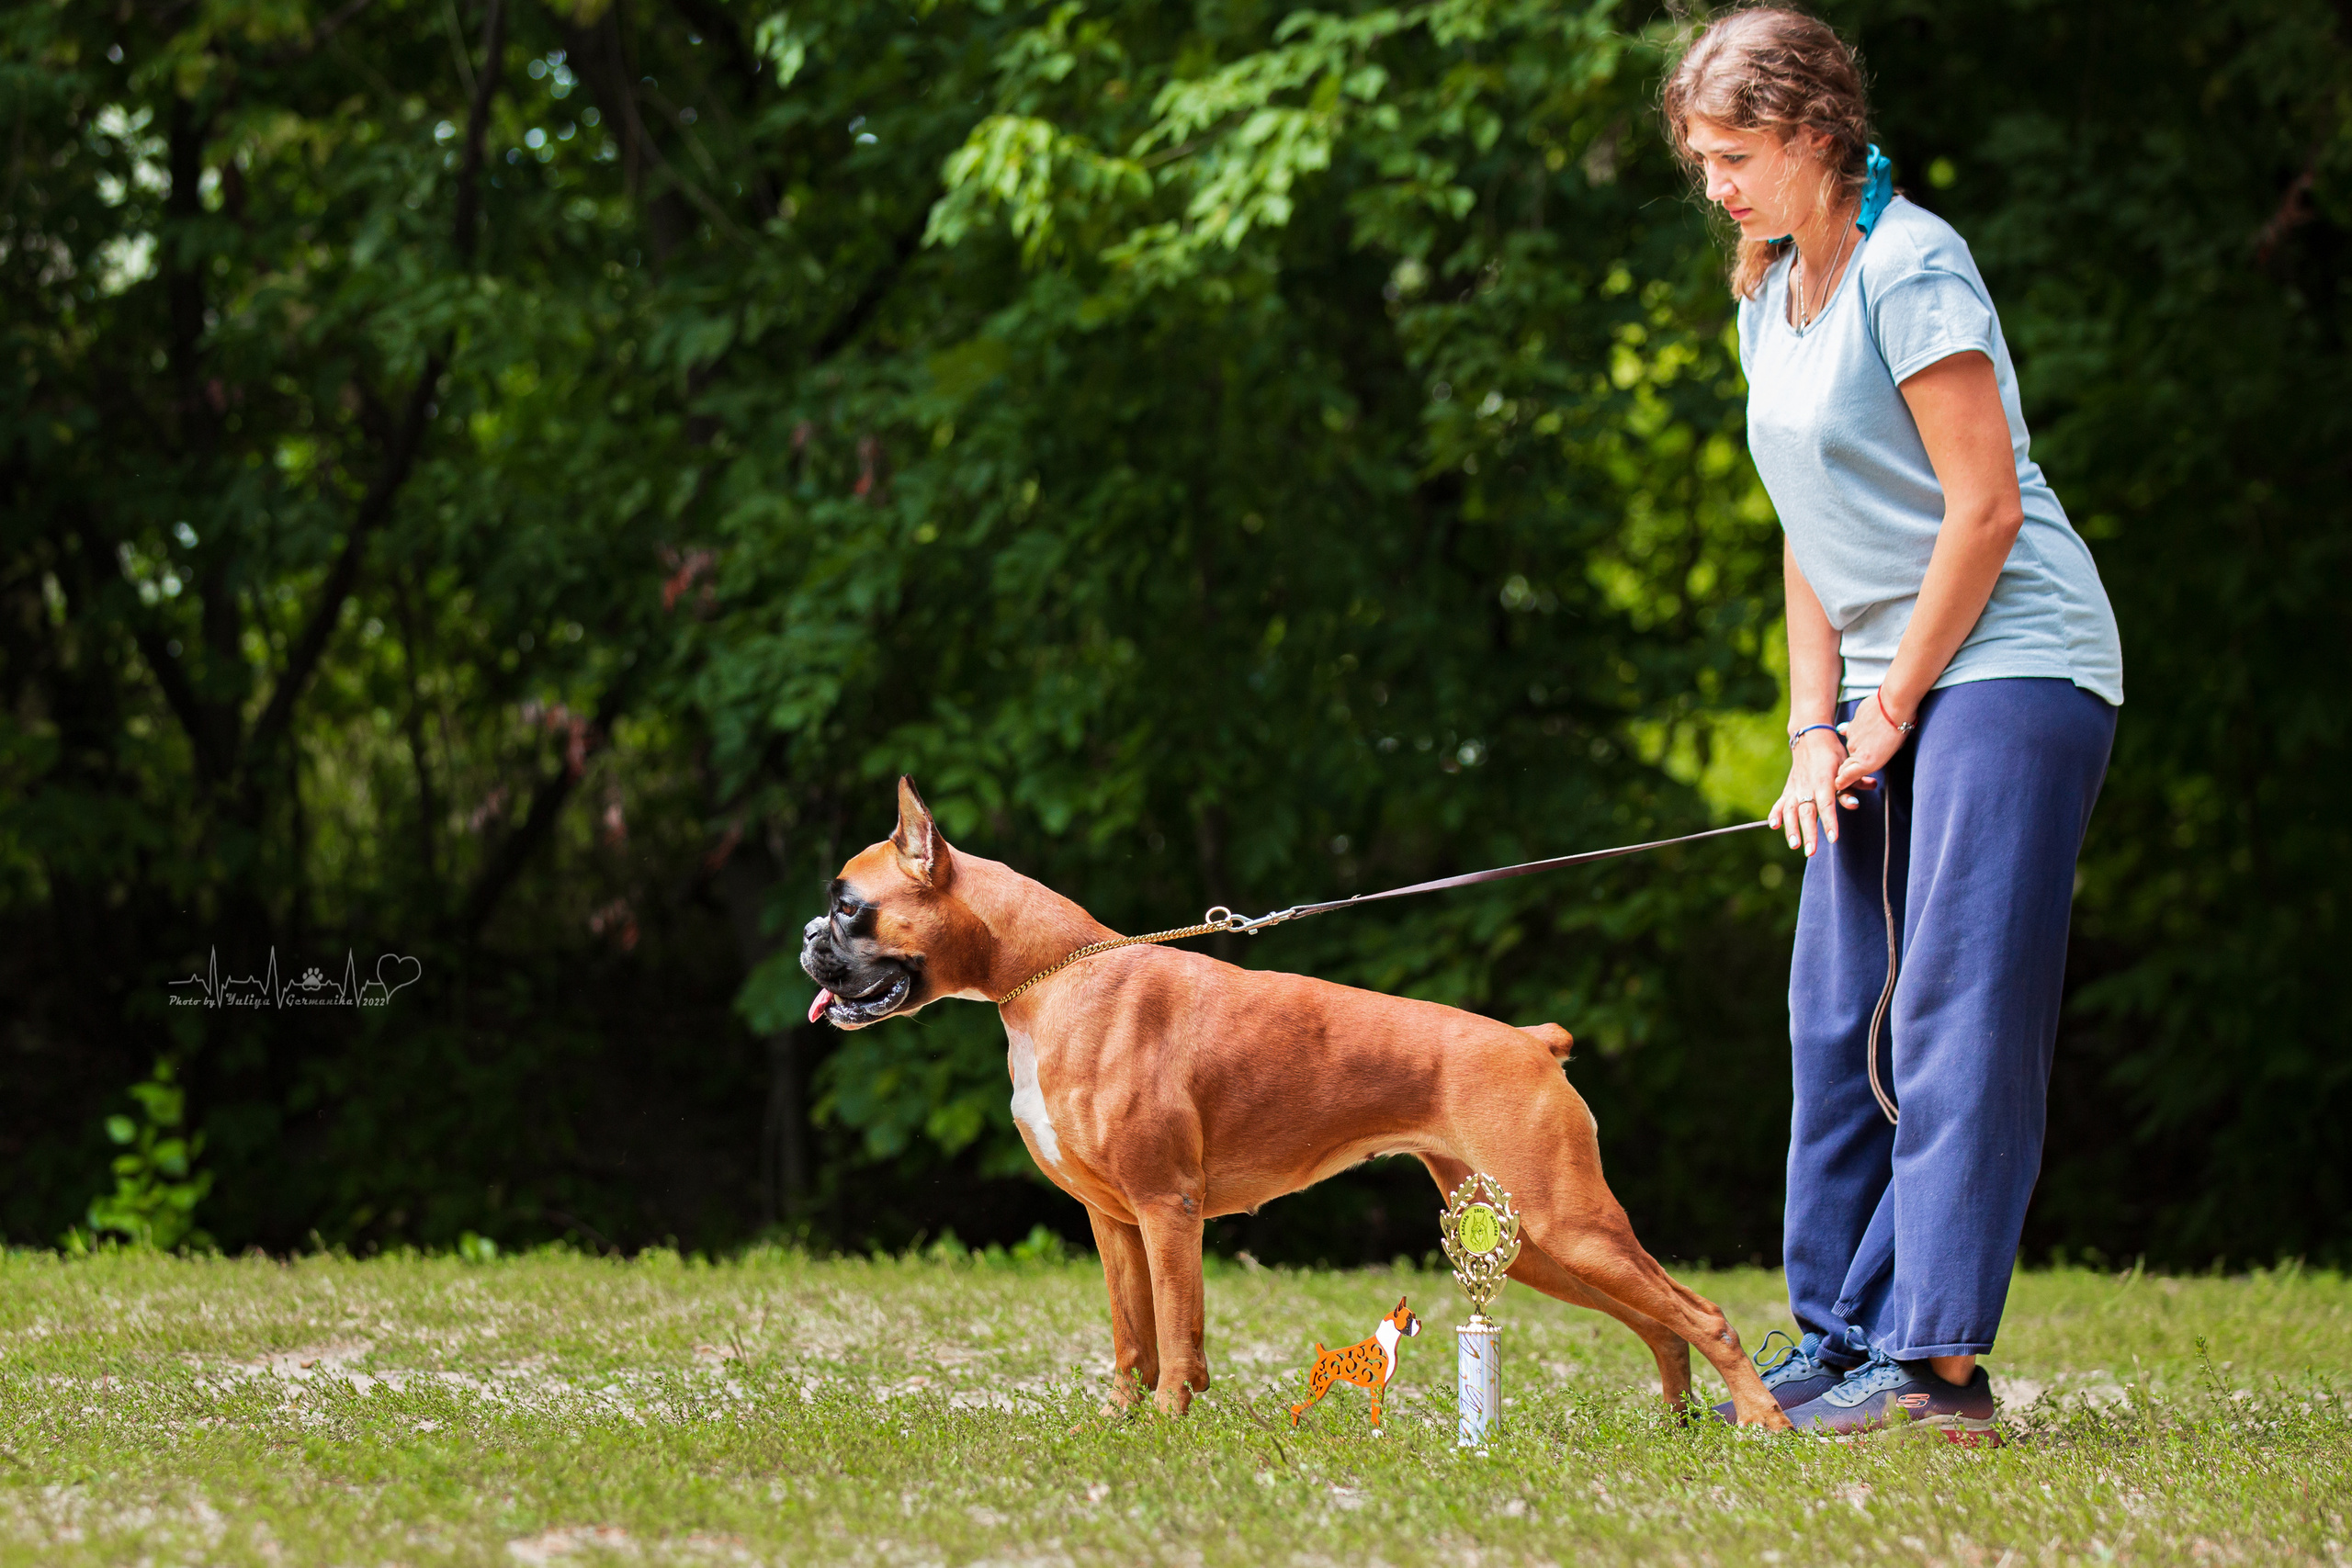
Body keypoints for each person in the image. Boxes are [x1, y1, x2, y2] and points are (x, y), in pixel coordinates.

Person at [1662, 7, 2124, 1439]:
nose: (1720, 183)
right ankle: (1844, 1334)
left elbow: (1982, 510)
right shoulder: (1769, 292)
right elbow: (1812, 526)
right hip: (1882, 682)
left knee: (1951, 1013)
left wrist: (1896, 703)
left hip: (2015, 659)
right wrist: (1817, 727)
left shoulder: (1914, 266)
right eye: (1702, 159)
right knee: (1833, 1009)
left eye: (1739, 154)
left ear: (1815, 134)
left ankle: (1936, 1370)